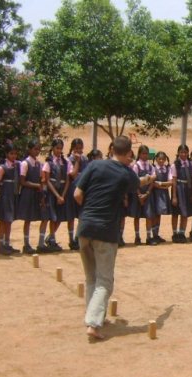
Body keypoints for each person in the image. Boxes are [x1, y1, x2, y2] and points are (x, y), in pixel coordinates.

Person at [74, 135, 155, 340]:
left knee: (91, 277)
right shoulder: (126, 173)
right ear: (128, 153)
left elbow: (77, 194)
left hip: (84, 227)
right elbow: (138, 183)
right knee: (104, 281)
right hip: (106, 231)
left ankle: (94, 316)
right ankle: (93, 323)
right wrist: (149, 178)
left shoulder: (94, 165)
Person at [16, 139, 50, 254]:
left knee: (43, 216)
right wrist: (36, 185)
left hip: (36, 193)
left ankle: (40, 243)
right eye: (35, 149)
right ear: (29, 149)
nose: (37, 151)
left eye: (38, 149)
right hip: (27, 193)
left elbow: (41, 179)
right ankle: (26, 244)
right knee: (28, 219)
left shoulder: (38, 164)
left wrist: (42, 189)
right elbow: (22, 181)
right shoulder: (25, 163)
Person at [42, 138, 70, 252]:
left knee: (59, 217)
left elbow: (67, 180)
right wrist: (57, 195)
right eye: (57, 148)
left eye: (60, 148)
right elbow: (47, 180)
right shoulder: (49, 162)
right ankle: (52, 240)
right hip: (52, 193)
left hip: (62, 192)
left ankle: (51, 236)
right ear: (52, 149)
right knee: (52, 217)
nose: (59, 151)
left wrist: (62, 195)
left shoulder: (65, 162)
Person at [0, 142, 20, 255]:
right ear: (6, 154)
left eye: (15, 154)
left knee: (9, 221)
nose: (13, 156)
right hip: (5, 196)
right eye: (11, 154)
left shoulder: (17, 165)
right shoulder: (3, 167)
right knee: (3, 220)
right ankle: (0, 245)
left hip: (13, 195)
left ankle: (7, 243)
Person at [130, 144, 155, 245]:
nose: (145, 156)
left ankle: (148, 237)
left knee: (149, 216)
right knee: (137, 216)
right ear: (139, 154)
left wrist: (147, 193)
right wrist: (139, 195)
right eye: (143, 153)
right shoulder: (136, 166)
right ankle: (137, 237)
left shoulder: (150, 166)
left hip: (147, 194)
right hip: (138, 194)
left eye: (146, 154)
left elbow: (153, 180)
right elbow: (134, 181)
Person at [170, 144, 192, 243]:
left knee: (185, 213)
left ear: (188, 153)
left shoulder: (191, 164)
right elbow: (174, 180)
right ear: (178, 153)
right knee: (176, 213)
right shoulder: (175, 164)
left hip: (187, 190)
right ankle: (175, 233)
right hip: (178, 189)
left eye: (185, 152)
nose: (183, 154)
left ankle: (182, 233)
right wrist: (174, 196)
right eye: (181, 152)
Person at [65, 138, 87, 250]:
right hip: (72, 190)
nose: (79, 150)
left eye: (80, 148)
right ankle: (71, 240)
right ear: (72, 148)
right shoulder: (68, 160)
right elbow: (73, 175)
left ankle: (78, 238)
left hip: (82, 190)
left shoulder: (85, 159)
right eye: (76, 148)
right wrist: (77, 161)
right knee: (71, 217)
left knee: (81, 215)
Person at [148, 151, 173, 244]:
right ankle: (153, 234)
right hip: (154, 194)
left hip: (162, 194)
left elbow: (171, 182)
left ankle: (156, 234)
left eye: (163, 159)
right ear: (156, 159)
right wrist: (164, 186)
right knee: (154, 214)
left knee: (159, 214)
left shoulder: (168, 168)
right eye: (159, 159)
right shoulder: (153, 168)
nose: (161, 161)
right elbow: (153, 183)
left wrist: (160, 184)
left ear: (165, 159)